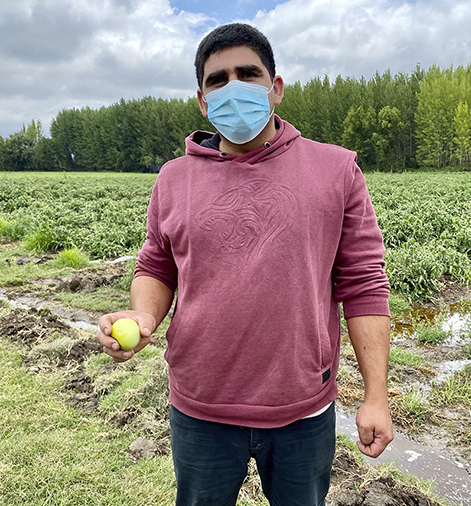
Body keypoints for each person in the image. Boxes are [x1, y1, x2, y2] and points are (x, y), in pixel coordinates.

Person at [97, 22, 392, 506]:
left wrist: (375, 395)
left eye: (248, 74)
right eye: (218, 80)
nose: (233, 88)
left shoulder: (336, 170)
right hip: (200, 407)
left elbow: (363, 284)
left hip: (302, 409)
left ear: (276, 88)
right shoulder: (173, 179)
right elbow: (157, 264)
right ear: (202, 100)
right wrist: (143, 315)